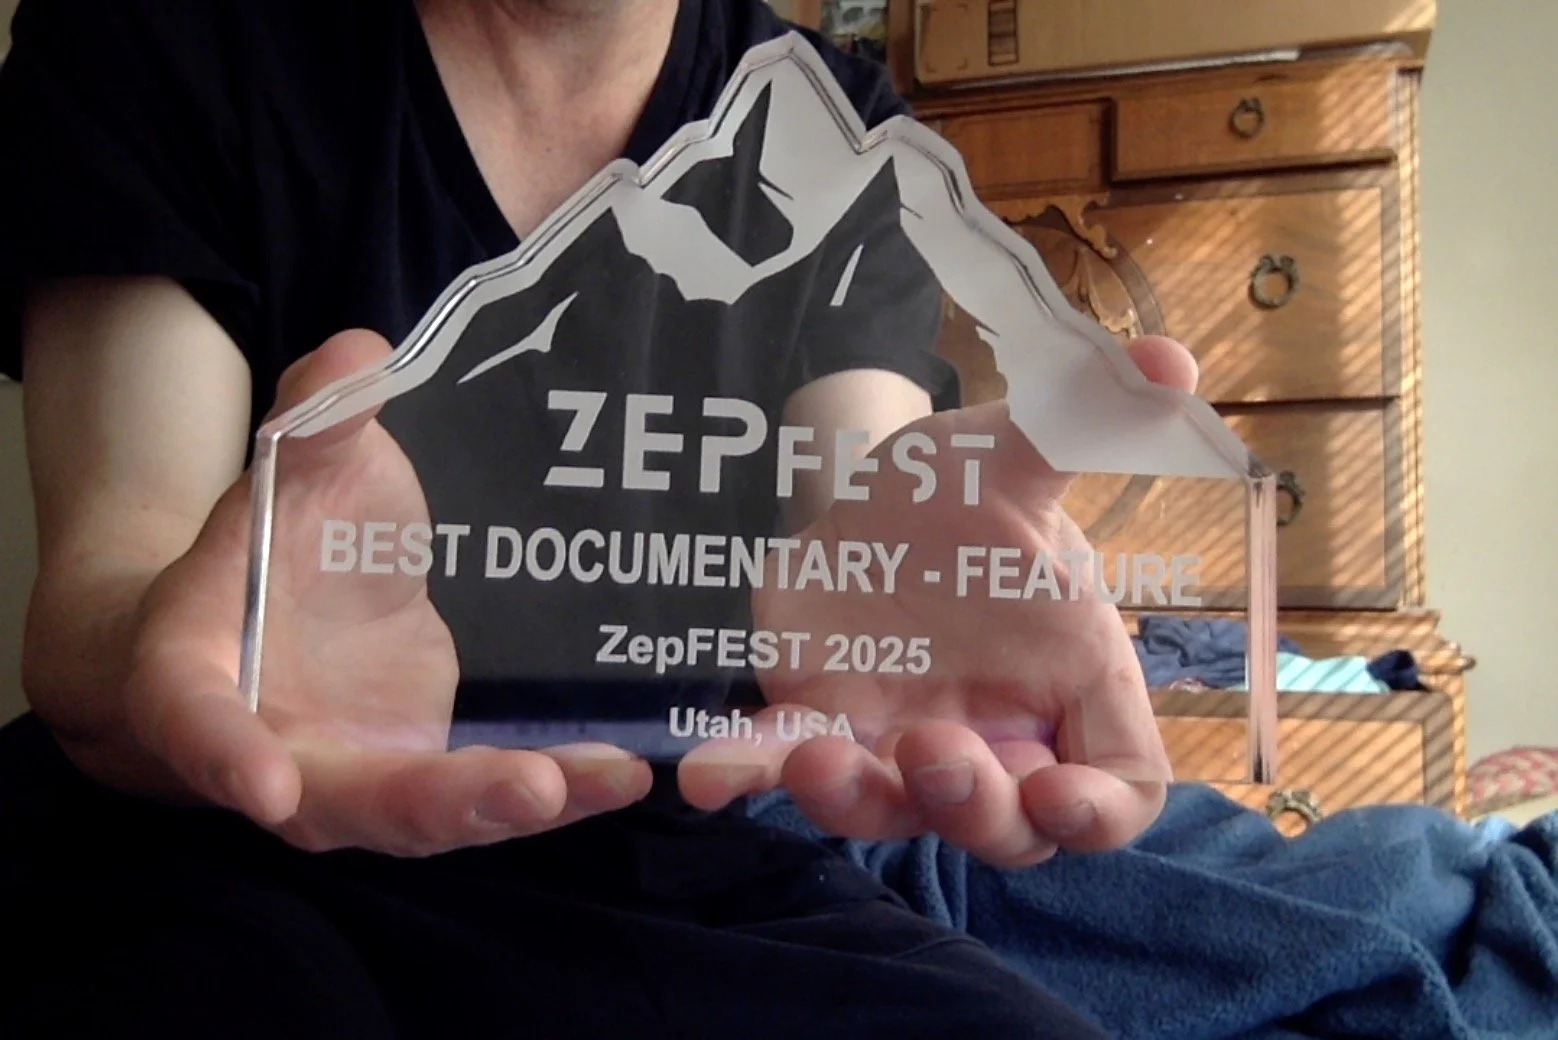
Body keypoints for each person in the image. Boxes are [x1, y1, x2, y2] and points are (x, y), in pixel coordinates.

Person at [0, 0, 1194, 1035]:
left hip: (658, 865)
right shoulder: (166, 36)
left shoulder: (837, 129)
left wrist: (924, 582)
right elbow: (103, 594)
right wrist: (222, 652)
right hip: (206, 859)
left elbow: (860, 501)